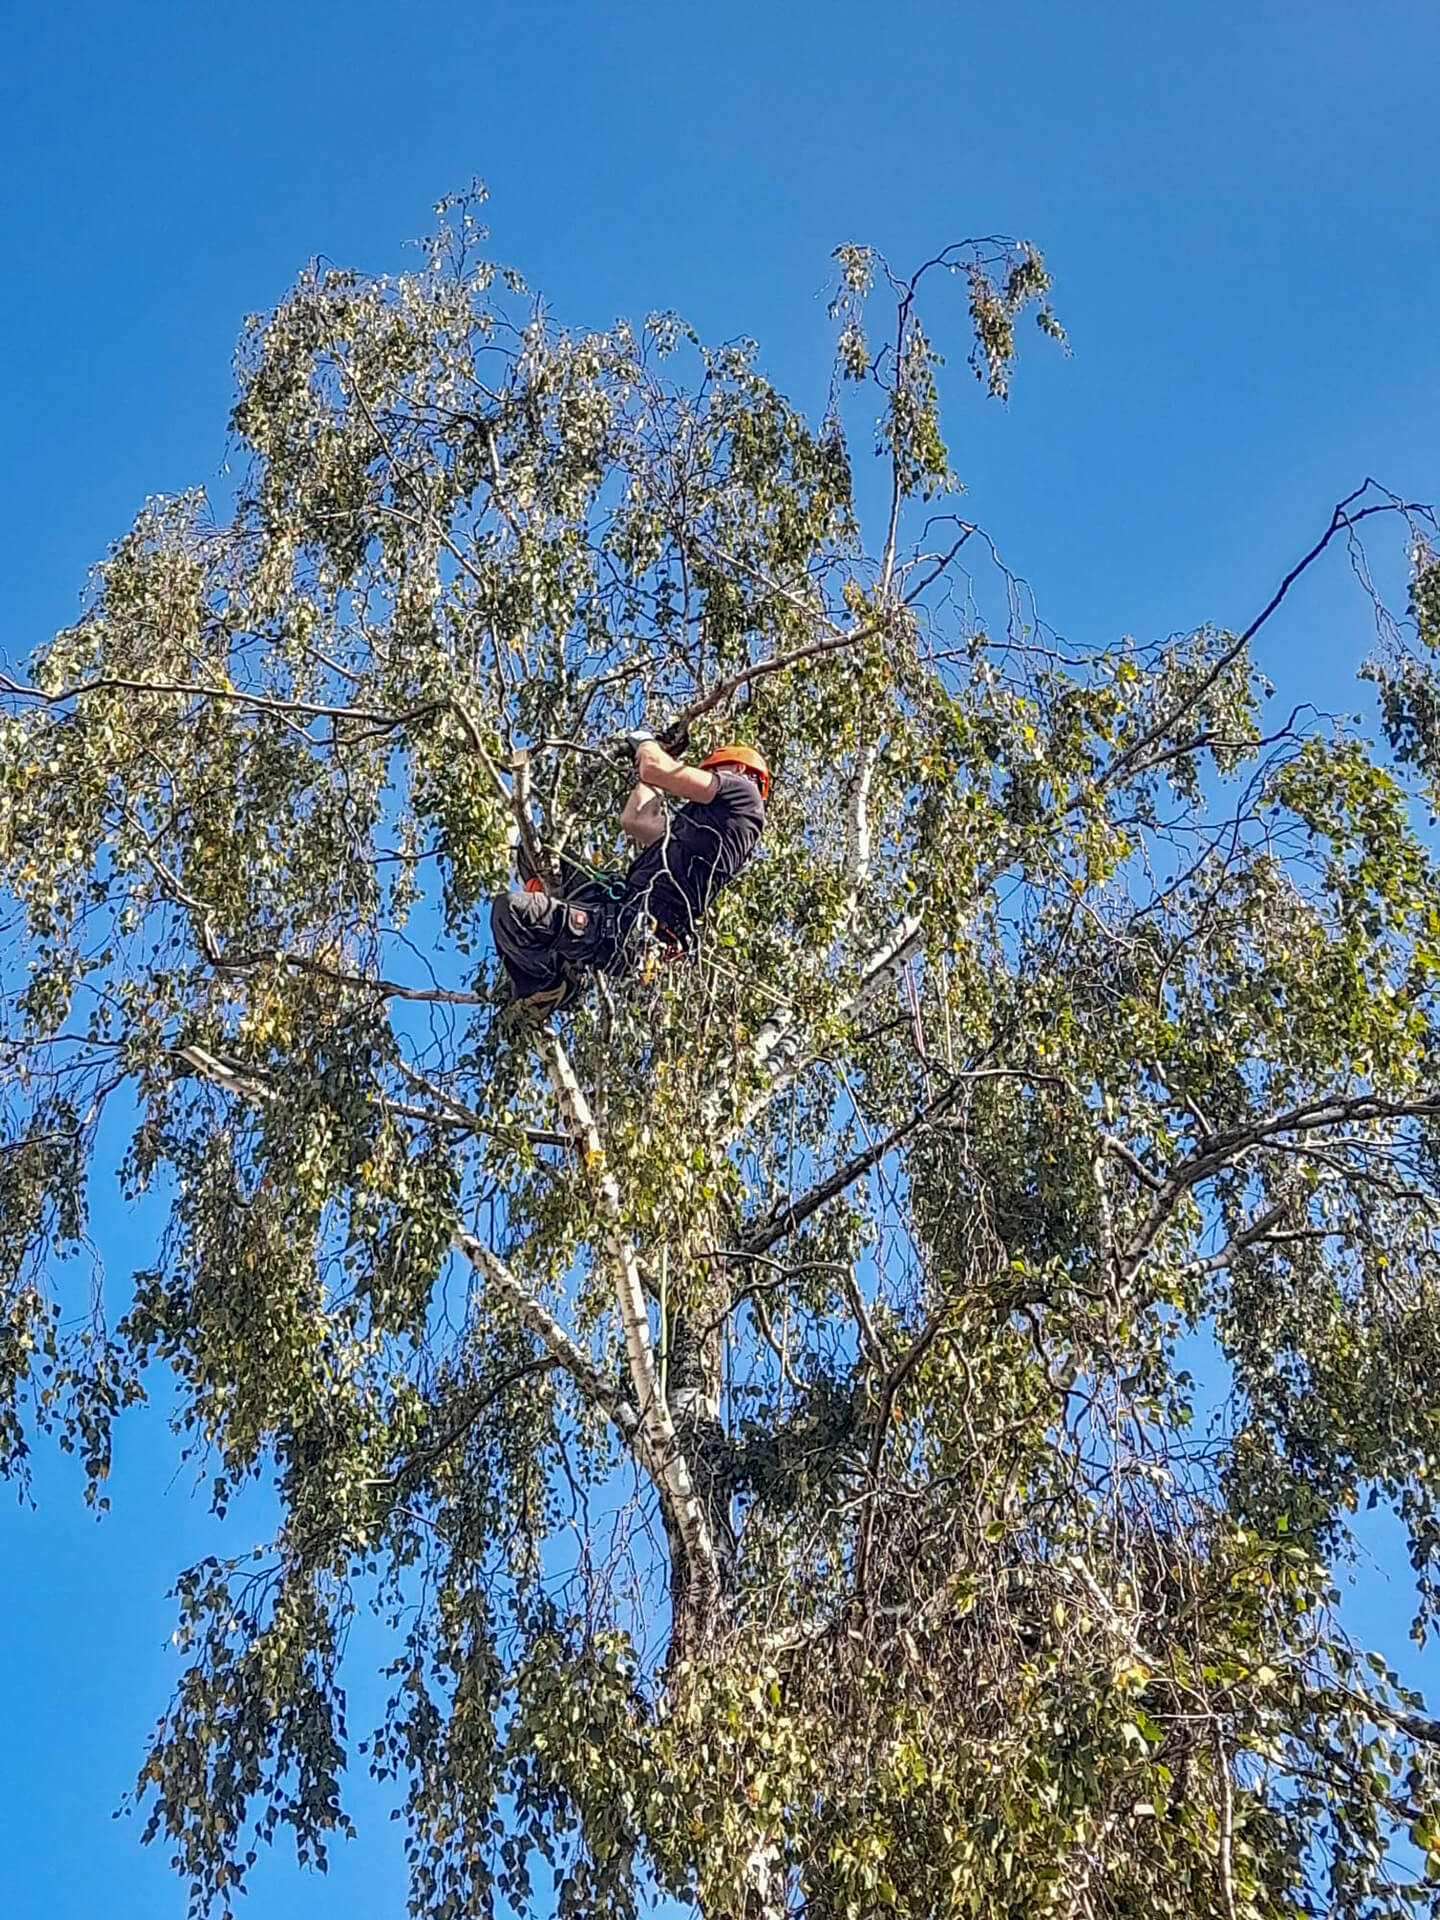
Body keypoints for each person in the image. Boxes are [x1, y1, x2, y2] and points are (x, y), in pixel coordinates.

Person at [490, 738, 770, 1020]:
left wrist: (648, 744)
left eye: (714, 771)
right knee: (532, 849)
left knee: (512, 911)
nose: (710, 778)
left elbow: (657, 770)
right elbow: (635, 819)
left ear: (736, 767)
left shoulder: (744, 792)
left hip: (635, 927)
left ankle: (548, 988)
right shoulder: (700, 826)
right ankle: (554, 937)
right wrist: (660, 753)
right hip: (617, 907)